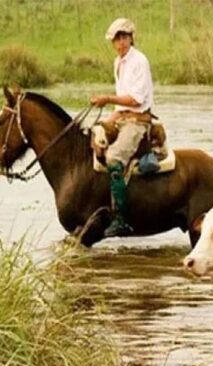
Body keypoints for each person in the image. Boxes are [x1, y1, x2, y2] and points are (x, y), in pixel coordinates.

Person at [90, 18, 154, 238]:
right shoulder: (118, 62)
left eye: (124, 37)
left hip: (137, 121)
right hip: (122, 117)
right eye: (117, 39)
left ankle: (122, 219)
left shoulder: (139, 61)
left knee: (114, 160)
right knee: (93, 137)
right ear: (113, 43)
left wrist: (107, 98)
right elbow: (121, 103)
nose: (121, 43)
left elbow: (136, 100)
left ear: (130, 38)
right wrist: (108, 119)